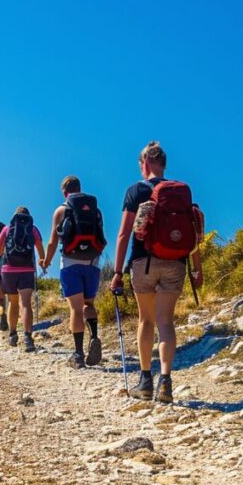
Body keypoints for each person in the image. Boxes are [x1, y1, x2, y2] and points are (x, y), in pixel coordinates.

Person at [110, 141, 203, 404]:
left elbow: (123, 233)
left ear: (146, 163)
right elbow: (194, 230)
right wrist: (197, 268)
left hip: (144, 263)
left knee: (146, 321)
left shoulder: (136, 190)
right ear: (163, 163)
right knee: (166, 322)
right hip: (176, 263)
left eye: (141, 164)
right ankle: (166, 381)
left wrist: (117, 272)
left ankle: (145, 380)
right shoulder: (181, 190)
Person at [41, 176, 106, 368]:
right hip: (92, 262)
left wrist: (46, 261)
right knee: (88, 304)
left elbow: (53, 241)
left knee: (75, 309)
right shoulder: (95, 209)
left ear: (64, 192)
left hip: (70, 264)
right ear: (80, 188)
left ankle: (78, 354)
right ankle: (94, 336)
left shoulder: (61, 210)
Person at [0, 207, 45, 352]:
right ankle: (28, 338)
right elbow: (40, 248)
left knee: (13, 303)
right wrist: (42, 261)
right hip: (27, 269)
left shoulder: (7, 229)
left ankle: (13, 335)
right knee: (25, 304)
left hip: (8, 269)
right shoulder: (33, 229)